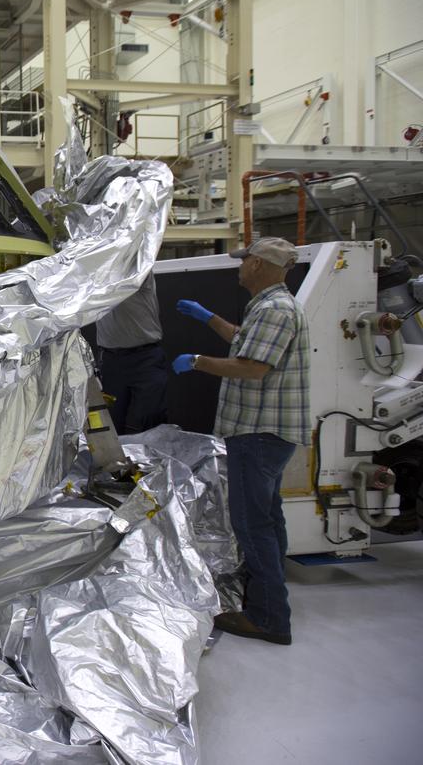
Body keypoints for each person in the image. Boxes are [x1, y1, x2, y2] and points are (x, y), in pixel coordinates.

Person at [171, 236, 310, 647]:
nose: (240, 266)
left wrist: (197, 361)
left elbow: (251, 367)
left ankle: (269, 618)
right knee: (268, 518)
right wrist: (208, 318)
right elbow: (243, 339)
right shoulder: (270, 307)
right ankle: (269, 594)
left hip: (258, 433)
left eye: (244, 259)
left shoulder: (274, 309)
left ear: (258, 265)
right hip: (267, 434)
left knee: (252, 525)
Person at [95, 273, 168, 434]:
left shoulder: (138, 267)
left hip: (145, 356)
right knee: (111, 421)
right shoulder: (97, 272)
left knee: (151, 418)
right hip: (112, 359)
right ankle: (115, 450)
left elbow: (119, 286)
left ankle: (151, 449)